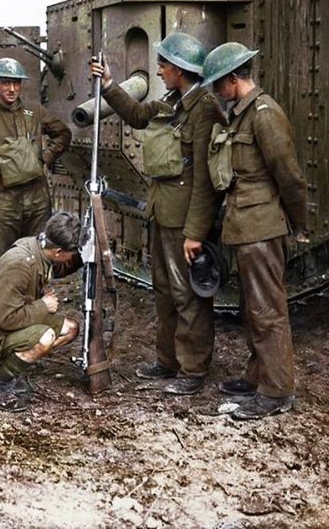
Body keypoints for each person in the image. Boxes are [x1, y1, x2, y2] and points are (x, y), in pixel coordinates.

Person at [90, 32, 226, 396]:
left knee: (188, 295)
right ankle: (168, 362)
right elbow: (136, 115)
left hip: (185, 222)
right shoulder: (174, 103)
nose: (160, 71)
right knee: (165, 291)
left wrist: (196, 232)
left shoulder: (205, 110)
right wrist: (108, 85)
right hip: (163, 214)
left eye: (164, 65)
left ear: (179, 70)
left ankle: (193, 369)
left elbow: (204, 180)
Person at [201, 42, 309, 420]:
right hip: (246, 227)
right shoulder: (242, 114)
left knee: (267, 309)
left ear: (234, 79)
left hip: (262, 227)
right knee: (253, 308)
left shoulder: (264, 115)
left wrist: (300, 225)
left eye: (219, 84)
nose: (216, 91)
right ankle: (258, 374)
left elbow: (290, 176)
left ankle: (276, 391)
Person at [0, 211, 82, 412]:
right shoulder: (19, 266)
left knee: (70, 329)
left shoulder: (38, 247)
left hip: (3, 323)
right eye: (73, 253)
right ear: (59, 252)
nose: (73, 257)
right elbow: (5, 320)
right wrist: (43, 305)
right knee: (46, 337)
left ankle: (13, 363)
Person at [0, 58, 71, 260]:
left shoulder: (35, 111)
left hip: (37, 200)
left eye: (16, 83)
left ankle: (37, 293)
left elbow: (63, 134)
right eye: (5, 83)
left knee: (39, 256)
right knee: (1, 259)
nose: (12, 89)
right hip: (4, 204)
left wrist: (45, 157)